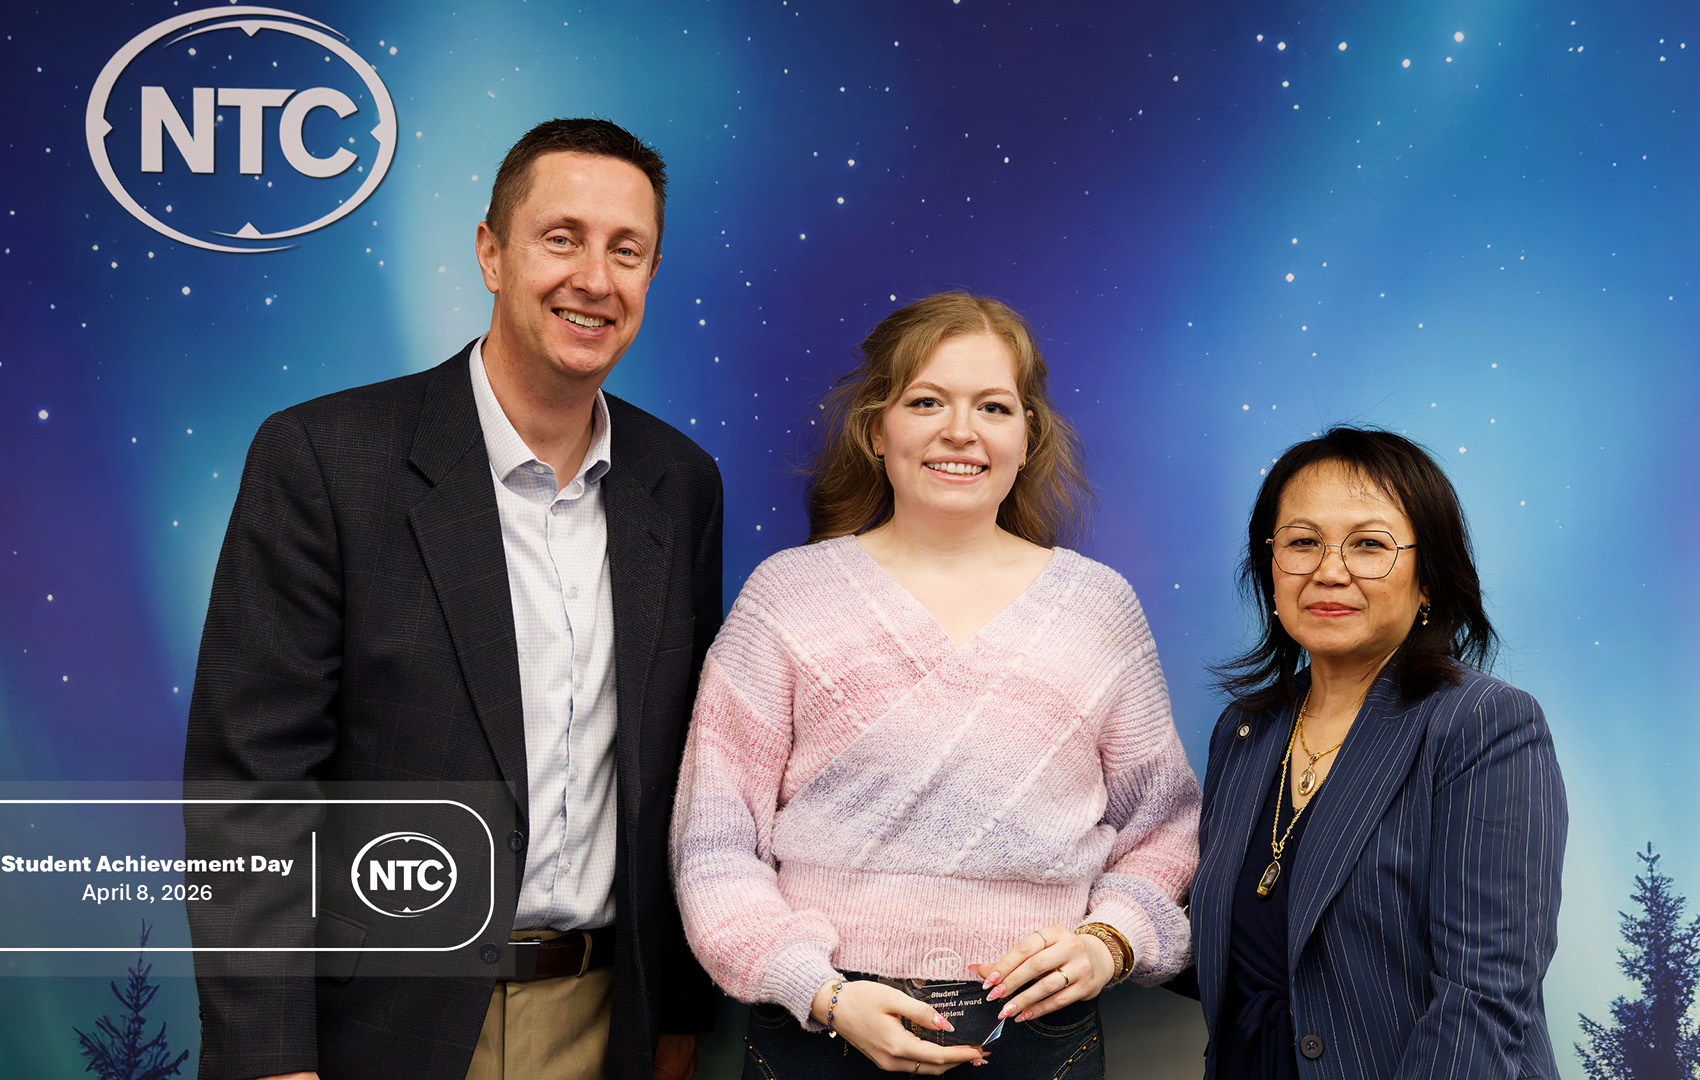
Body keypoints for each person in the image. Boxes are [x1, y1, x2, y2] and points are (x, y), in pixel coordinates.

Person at [184, 118, 720, 1080]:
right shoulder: (326, 459)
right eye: (562, 237)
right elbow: (250, 789)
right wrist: (271, 1058)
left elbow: (684, 776)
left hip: (607, 1023)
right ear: (491, 253)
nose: (595, 278)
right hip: (381, 1029)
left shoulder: (679, 485)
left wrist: (676, 1021)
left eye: (626, 250)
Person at [669, 292, 1200, 1078]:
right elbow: (712, 841)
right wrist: (817, 990)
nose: (961, 431)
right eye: (927, 402)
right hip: (821, 1029)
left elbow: (1163, 828)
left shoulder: (1099, 610)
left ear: (1028, 437)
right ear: (877, 431)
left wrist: (1109, 941)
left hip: (1038, 1037)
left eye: (993, 406)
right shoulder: (787, 598)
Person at [1187, 427, 1567, 1079]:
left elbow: (1482, 999)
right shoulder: (1247, 730)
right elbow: (1242, 951)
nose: (1329, 571)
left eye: (1369, 545)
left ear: (1429, 582)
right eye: (1302, 542)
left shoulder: (1483, 725)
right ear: (1270, 568)